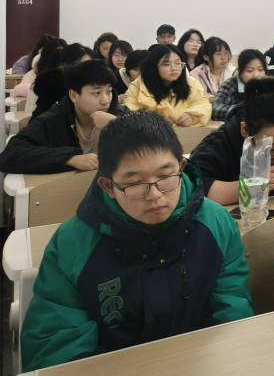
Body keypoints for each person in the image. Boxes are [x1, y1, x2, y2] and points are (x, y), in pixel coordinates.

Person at [20, 112, 253, 370]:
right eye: (134, 184)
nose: (154, 195)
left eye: (166, 177)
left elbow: (232, 308)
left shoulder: (216, 223)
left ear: (181, 168)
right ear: (108, 186)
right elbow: (57, 347)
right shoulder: (73, 243)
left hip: (201, 364)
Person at [190, 78, 274, 205]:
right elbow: (191, 186)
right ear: (244, 130)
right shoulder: (221, 143)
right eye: (268, 146)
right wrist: (248, 188)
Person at [0, 60, 124, 175]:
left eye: (109, 91)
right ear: (74, 96)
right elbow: (10, 155)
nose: (105, 100)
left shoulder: (117, 114)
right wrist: (70, 158)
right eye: (96, 93)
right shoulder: (55, 119)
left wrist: (118, 124)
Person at [125, 45, 212, 127]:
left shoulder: (191, 83)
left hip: (185, 135)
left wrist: (192, 117)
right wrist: (153, 118)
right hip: (150, 135)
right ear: (154, 66)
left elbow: (203, 104)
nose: (174, 68)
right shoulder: (138, 85)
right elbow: (128, 113)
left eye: (178, 63)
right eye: (166, 64)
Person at [32, 43, 95, 120]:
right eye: (83, 65)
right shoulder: (53, 85)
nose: (89, 69)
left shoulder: (90, 83)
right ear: (68, 64)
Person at [211, 49, 267, 121]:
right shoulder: (229, 85)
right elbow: (216, 110)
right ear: (240, 71)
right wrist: (244, 110)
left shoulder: (269, 84)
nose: (256, 75)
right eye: (249, 70)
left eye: (260, 69)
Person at [189, 37, 233, 101]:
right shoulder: (195, 75)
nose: (223, 58)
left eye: (226, 53)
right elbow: (197, 96)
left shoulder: (233, 71)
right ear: (206, 57)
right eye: (218, 54)